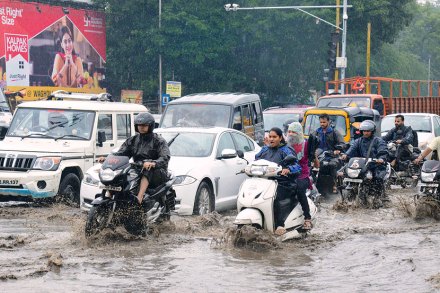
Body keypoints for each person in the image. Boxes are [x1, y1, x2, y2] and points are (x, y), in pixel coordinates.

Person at [98, 113, 170, 204]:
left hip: (157, 170)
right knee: (120, 174)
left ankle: (139, 197)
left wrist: (153, 163)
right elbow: (121, 153)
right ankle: (109, 197)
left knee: (147, 169)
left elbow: (165, 157)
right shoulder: (132, 140)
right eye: (139, 125)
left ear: (150, 126)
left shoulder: (158, 140)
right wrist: (108, 159)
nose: (141, 127)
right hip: (137, 167)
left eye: (144, 125)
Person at [255, 127, 302, 236]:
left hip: (283, 183)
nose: (271, 139)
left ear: (280, 138)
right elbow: (256, 160)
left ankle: (280, 224)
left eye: (274, 137)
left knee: (274, 198)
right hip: (264, 183)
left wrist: (288, 169)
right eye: (270, 137)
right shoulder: (264, 150)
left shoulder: (286, 150)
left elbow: (297, 166)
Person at [341, 120, 389, 198]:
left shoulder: (378, 141)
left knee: (378, 177)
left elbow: (383, 151)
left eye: (368, 131)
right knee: (344, 174)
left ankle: (379, 197)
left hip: (376, 165)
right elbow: (352, 149)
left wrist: (381, 159)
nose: (366, 133)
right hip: (362, 165)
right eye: (364, 131)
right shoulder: (358, 141)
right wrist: (346, 155)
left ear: (372, 131)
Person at [286, 122, 313, 230]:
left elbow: (313, 158)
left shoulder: (305, 145)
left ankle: (307, 217)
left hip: (302, 175)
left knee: (299, 190)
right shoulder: (285, 144)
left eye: (294, 132)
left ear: (299, 133)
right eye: (289, 132)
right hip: (287, 174)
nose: (291, 134)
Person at [310, 113, 344, 192]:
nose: (322, 124)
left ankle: (334, 184)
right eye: (321, 122)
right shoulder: (316, 132)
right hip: (318, 156)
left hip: (332, 156)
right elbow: (310, 143)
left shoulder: (334, 132)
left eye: (324, 122)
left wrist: (337, 150)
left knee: (332, 165)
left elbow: (342, 144)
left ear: (328, 121)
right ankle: (311, 184)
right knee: (310, 166)